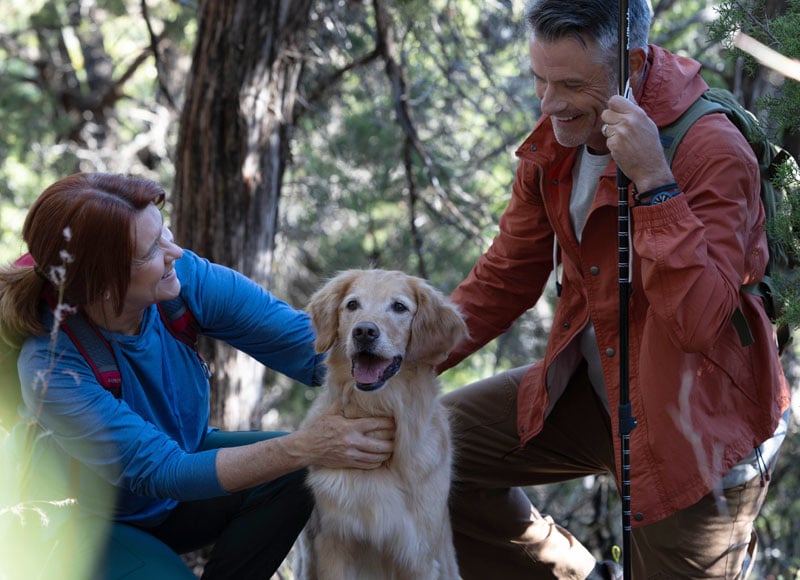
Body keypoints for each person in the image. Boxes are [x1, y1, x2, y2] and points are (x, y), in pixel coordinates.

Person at [437, 0, 792, 578]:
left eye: (570, 84)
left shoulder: (709, 150)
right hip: (597, 392)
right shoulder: (558, 138)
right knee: (425, 457)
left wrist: (655, 183)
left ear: (630, 63)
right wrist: (399, 362)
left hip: (698, 434)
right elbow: (505, 277)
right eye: (538, 80)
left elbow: (698, 324)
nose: (548, 104)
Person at [0, 172, 395, 579]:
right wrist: (306, 445)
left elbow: (313, 350)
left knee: (299, 471)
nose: (175, 251)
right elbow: (162, 471)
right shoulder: (52, 367)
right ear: (103, 283)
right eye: (151, 249)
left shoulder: (183, 280)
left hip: (176, 489)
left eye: (164, 231)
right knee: (298, 456)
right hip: (90, 524)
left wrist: (397, 353)